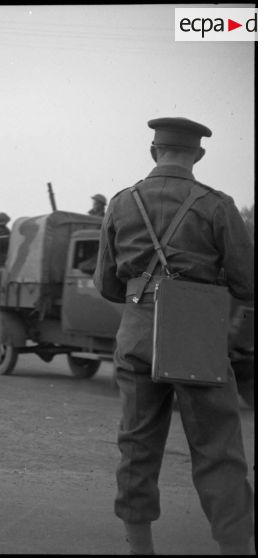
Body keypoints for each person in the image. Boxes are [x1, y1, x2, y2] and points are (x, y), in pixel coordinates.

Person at [93, 117, 254, 555]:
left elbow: (107, 285)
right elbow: (248, 283)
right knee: (218, 449)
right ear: (198, 155)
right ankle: (236, 548)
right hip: (196, 335)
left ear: (153, 151)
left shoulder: (121, 203)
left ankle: (139, 549)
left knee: (137, 445)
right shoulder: (218, 205)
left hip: (136, 335)